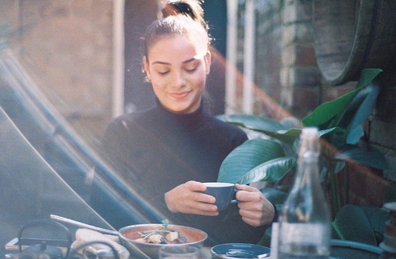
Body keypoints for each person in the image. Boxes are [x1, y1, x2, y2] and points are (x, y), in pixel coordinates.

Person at [91, 0, 276, 245]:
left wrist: (265, 215)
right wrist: (167, 202)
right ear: (147, 69)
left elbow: (236, 240)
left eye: (190, 68)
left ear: (207, 63)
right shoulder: (123, 132)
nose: (177, 82)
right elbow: (99, 215)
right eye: (163, 71)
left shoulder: (232, 141)